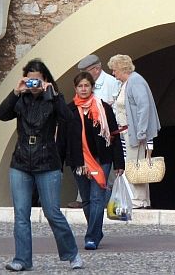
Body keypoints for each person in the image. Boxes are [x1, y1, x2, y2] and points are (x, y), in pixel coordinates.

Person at [0, 59, 83, 271]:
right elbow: (1, 114)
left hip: (47, 162)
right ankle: (22, 260)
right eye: (30, 80)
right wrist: (16, 92)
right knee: (21, 214)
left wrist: (54, 95)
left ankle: (72, 254)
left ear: (45, 81)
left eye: (38, 81)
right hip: (21, 162)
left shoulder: (52, 99)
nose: (33, 85)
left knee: (52, 212)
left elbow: (68, 120)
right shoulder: (21, 99)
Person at [61, 71, 125, 250]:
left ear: (92, 87)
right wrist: (58, 162)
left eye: (86, 85)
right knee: (87, 199)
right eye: (80, 86)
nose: (83, 89)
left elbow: (113, 135)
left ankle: (91, 237)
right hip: (79, 161)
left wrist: (119, 162)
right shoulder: (69, 110)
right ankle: (96, 230)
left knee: (97, 198)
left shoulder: (104, 108)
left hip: (101, 158)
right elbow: (62, 139)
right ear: (76, 88)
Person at [108, 54, 161, 208]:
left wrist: (141, 132)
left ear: (121, 68)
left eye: (114, 70)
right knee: (138, 164)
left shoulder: (135, 81)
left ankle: (137, 200)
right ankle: (142, 199)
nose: (113, 73)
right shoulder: (129, 82)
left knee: (134, 165)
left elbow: (143, 107)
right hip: (128, 131)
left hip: (134, 132)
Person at [69, 54, 121, 209]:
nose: (84, 87)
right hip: (85, 142)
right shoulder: (71, 106)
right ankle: (86, 200)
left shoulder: (111, 83)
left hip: (103, 141)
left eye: (87, 71)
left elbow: (116, 110)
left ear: (96, 69)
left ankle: (106, 204)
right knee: (84, 173)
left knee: (107, 178)